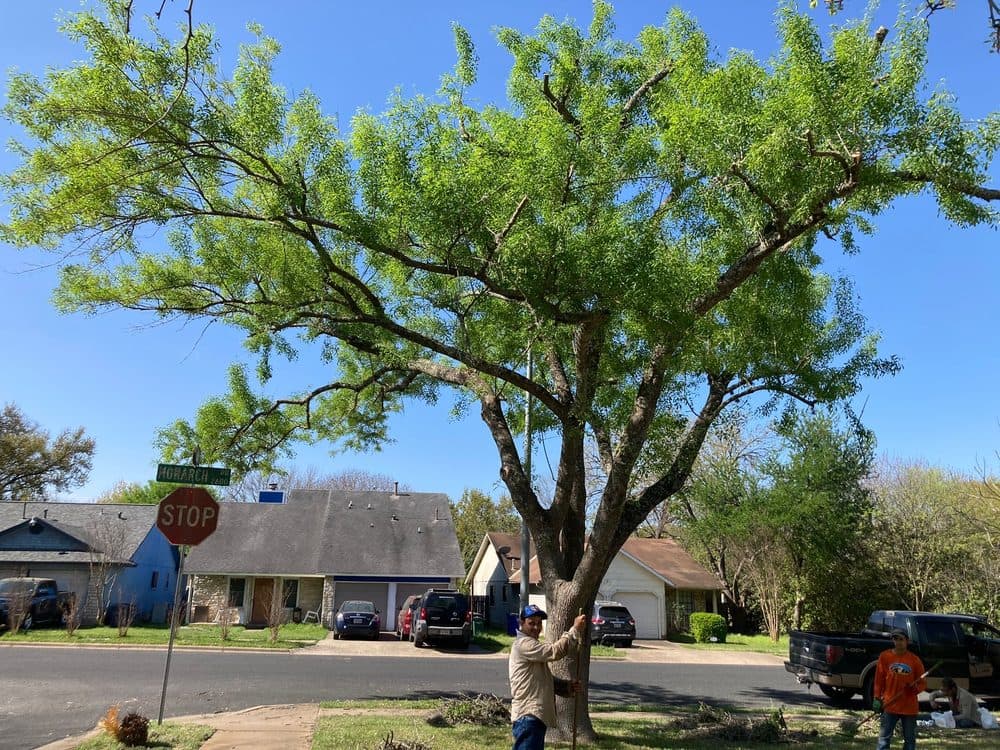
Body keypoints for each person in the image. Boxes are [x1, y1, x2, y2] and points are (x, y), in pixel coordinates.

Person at [508, 604, 588, 750]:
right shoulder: (523, 644)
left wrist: (567, 687)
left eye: (539, 623)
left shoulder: (532, 646)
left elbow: (544, 681)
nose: (536, 627)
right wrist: (574, 630)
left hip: (534, 718)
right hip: (528, 716)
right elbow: (554, 651)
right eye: (531, 623)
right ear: (521, 623)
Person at [873, 628, 927, 750]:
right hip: (890, 704)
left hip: (909, 707)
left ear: (907, 641)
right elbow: (878, 680)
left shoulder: (915, 660)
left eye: (901, 639)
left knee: (909, 741)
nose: (898, 642)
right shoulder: (885, 656)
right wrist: (876, 698)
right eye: (895, 639)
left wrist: (914, 689)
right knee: (884, 738)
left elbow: (923, 683)